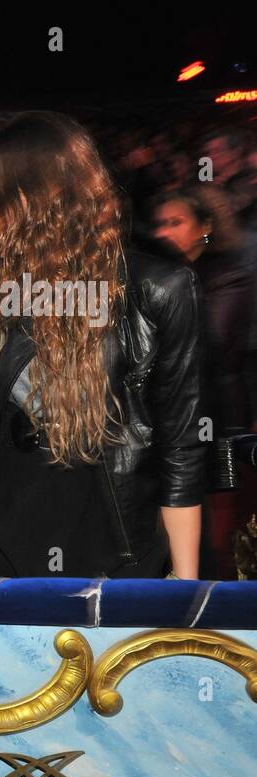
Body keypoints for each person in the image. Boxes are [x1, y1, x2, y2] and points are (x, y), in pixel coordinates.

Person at [0, 112, 206, 580]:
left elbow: (182, 447)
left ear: (41, 197)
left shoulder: (160, 290)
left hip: (122, 553)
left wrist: (185, 584)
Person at [153, 184, 255, 578]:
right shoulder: (162, 274)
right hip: (169, 418)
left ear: (205, 228)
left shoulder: (229, 276)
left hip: (216, 416)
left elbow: (206, 341)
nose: (165, 232)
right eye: (160, 223)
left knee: (218, 527)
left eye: (176, 222)